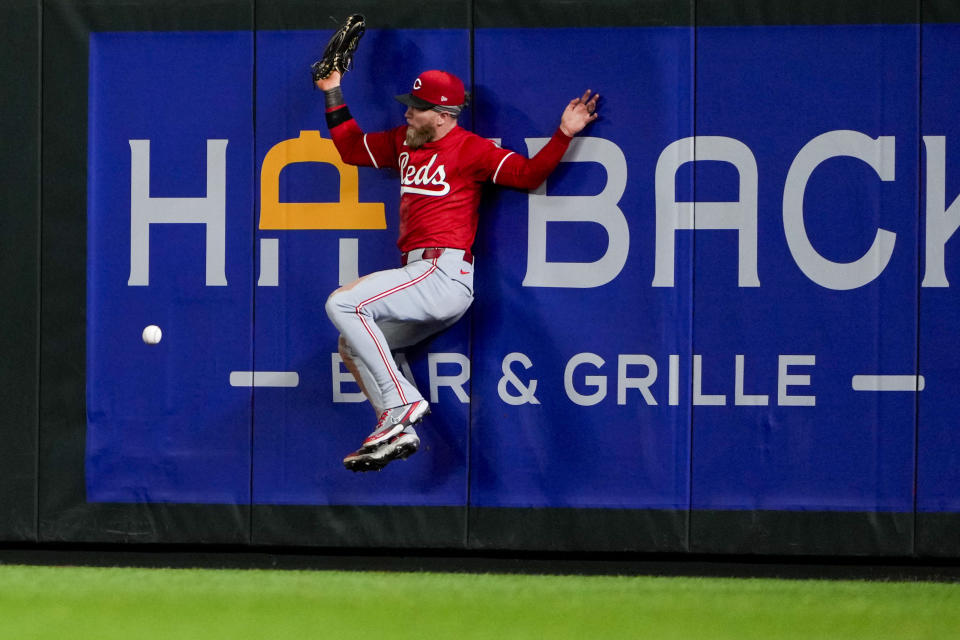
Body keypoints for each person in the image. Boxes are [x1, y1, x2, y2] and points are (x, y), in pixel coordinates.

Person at [316, 68, 599, 471]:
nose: (408, 113)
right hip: (419, 278)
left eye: (418, 108)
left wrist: (564, 133)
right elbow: (350, 148)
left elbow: (528, 174)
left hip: (443, 272)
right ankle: (401, 432)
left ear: (444, 115)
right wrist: (332, 91)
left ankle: (402, 403)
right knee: (351, 345)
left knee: (343, 304)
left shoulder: (472, 150)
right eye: (409, 105)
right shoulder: (404, 141)